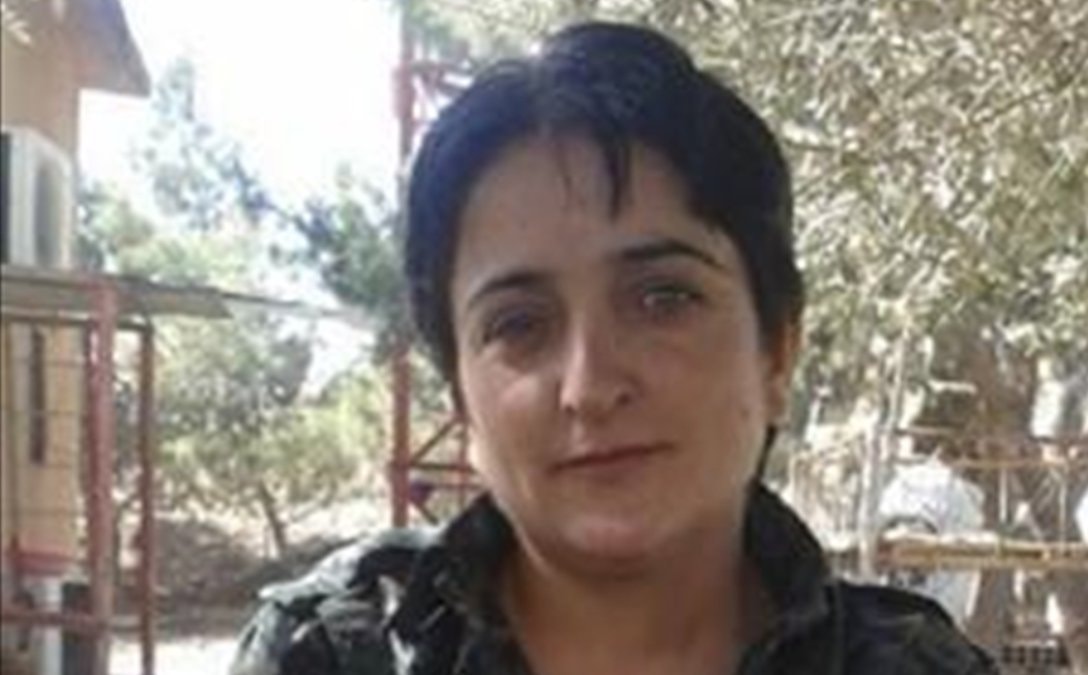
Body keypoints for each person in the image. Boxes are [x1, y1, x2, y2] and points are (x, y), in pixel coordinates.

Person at [230, 21, 996, 675]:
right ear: (460, 396)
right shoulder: (330, 654)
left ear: (777, 350)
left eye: (663, 298)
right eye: (518, 323)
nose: (590, 385)